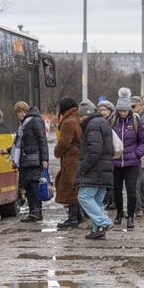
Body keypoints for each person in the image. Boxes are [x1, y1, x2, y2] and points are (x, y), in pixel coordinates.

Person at [75, 99, 115, 239]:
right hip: (105, 168)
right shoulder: (103, 122)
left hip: (95, 170)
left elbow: (95, 150)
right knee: (97, 201)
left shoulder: (92, 125)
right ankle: (97, 229)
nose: (80, 119)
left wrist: (84, 168)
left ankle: (103, 222)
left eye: (81, 116)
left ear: (86, 114)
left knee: (84, 196)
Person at [110, 89, 144, 229]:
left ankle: (131, 216)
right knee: (116, 190)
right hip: (116, 161)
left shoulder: (136, 121)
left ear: (129, 110)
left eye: (125, 111)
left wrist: (137, 154)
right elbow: (107, 138)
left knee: (131, 189)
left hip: (132, 162)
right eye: (120, 111)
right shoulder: (112, 121)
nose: (123, 113)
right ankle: (120, 213)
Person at [12, 101, 49, 222]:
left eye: (18, 113)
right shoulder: (24, 124)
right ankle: (32, 211)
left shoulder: (35, 121)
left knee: (34, 186)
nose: (17, 116)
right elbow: (21, 144)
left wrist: (44, 159)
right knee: (28, 186)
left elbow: (42, 140)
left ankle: (37, 211)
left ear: (23, 111)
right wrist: (9, 151)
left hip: (34, 160)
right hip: (26, 160)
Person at [54, 97, 83, 228]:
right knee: (75, 187)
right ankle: (78, 216)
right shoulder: (78, 118)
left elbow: (64, 142)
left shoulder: (68, 123)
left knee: (70, 187)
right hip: (78, 157)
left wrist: (57, 152)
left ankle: (73, 219)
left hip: (71, 159)